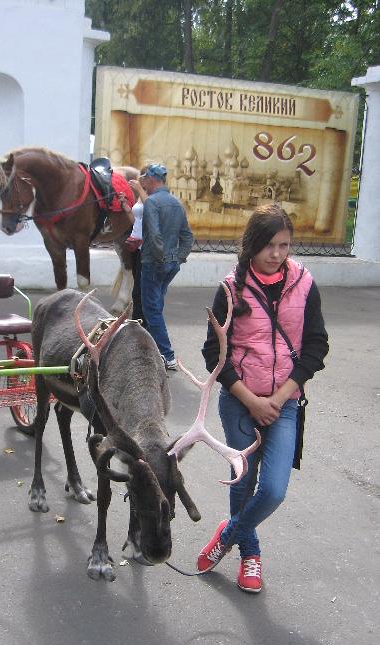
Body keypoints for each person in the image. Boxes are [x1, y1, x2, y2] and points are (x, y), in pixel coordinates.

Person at [198, 203, 329, 593]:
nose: (277, 253)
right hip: (239, 401)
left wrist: (280, 396)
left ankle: (229, 533)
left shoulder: (304, 283)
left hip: (285, 403)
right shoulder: (230, 288)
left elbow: (316, 346)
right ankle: (250, 555)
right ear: (252, 246)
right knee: (243, 481)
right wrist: (251, 399)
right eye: (269, 245)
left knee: (273, 489)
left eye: (284, 245)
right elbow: (212, 353)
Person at [139, 163, 194, 370]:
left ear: (152, 179)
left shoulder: (152, 202)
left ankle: (166, 354)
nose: (142, 182)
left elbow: (154, 235)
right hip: (171, 264)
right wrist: (178, 258)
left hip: (154, 263)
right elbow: (187, 236)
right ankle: (155, 349)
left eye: (144, 178)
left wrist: (161, 258)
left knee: (151, 309)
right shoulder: (176, 203)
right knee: (157, 306)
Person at [119, 171, 148, 323]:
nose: (141, 179)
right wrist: (126, 207)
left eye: (144, 177)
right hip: (136, 245)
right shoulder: (140, 195)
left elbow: (151, 209)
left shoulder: (152, 196)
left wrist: (140, 190)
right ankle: (138, 319)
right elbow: (135, 221)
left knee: (141, 289)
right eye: (140, 176)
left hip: (147, 247)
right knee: (137, 285)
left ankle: (140, 320)